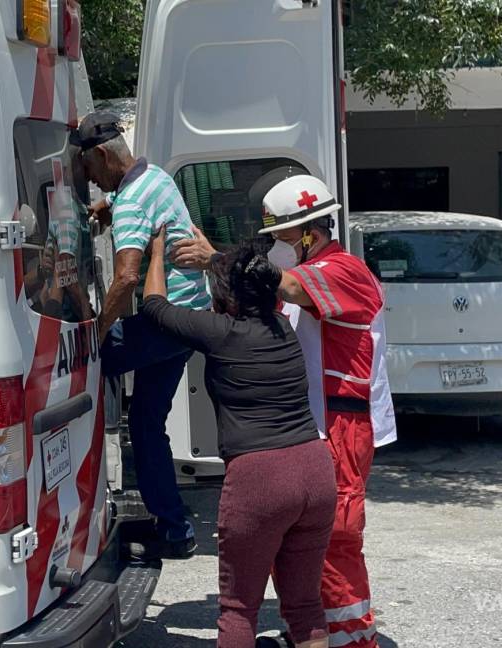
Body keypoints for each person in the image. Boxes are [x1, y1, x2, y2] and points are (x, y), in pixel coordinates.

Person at [172, 175, 396, 648]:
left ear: (310, 235)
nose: (274, 247)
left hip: (340, 423)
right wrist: (222, 261)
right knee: (296, 543)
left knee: (334, 541)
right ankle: (314, 635)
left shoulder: (343, 270)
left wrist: (217, 257)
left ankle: (353, 641)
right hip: (310, 428)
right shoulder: (313, 269)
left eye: (281, 238)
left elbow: (287, 286)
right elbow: (258, 293)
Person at [141, 229, 336, 648]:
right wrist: (221, 259)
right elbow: (252, 277)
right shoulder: (283, 325)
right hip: (315, 470)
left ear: (227, 299)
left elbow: (155, 307)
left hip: (260, 478)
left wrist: (155, 252)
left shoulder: (222, 331)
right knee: (304, 606)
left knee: (239, 609)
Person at [70, 111, 212, 558]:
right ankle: (174, 530)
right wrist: (106, 209)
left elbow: (127, 277)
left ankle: (77, 492)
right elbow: (142, 209)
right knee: (147, 423)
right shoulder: (155, 178)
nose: (91, 183)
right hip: (189, 319)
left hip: (163, 320)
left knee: (80, 360)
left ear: (99, 155)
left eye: (90, 172)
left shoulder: (131, 202)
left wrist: (96, 332)